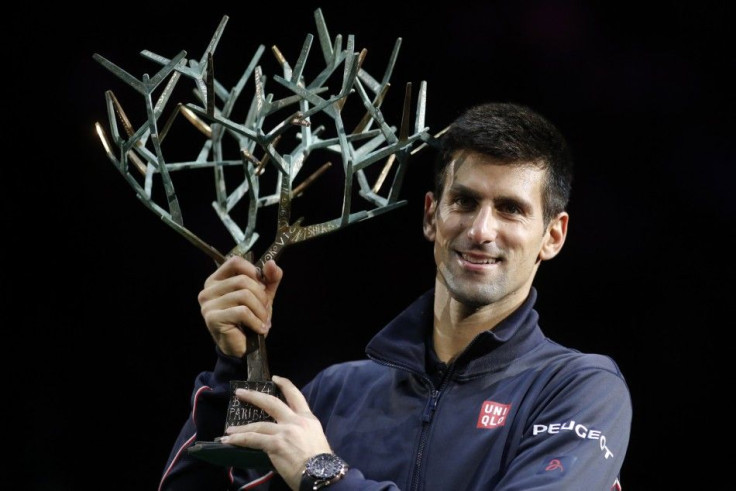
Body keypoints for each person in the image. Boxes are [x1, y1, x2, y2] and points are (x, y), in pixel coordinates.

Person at [159, 102, 632, 490]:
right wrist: (235, 366)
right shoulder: (338, 393)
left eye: (510, 209)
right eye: (464, 202)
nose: (481, 230)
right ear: (431, 216)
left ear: (553, 236)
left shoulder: (577, 392)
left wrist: (324, 474)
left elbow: (317, 470)